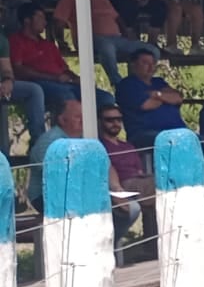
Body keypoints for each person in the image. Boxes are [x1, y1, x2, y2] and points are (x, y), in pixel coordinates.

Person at [28, 97, 141, 246]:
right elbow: (59, 178)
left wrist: (116, 189)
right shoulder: (49, 142)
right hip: (50, 196)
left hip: (85, 192)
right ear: (62, 120)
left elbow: (106, 166)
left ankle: (104, 246)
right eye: (77, 117)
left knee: (131, 208)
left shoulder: (88, 137)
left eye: (84, 116)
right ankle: (88, 249)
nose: (83, 120)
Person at [54, 0, 156, 86]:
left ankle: (142, 82)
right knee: (107, 47)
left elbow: (116, 17)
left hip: (116, 38)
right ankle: (118, 84)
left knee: (152, 50)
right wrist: (61, 42)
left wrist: (126, 33)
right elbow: (59, 22)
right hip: (91, 40)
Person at [98, 103, 157, 239]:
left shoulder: (128, 145)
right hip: (121, 184)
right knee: (165, 186)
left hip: (140, 181)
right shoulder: (99, 146)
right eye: (109, 120)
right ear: (100, 122)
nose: (115, 123)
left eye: (118, 119)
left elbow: (139, 170)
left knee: (167, 183)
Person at [11, 3, 82, 115]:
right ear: (27, 20)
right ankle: (73, 131)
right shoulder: (16, 41)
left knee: (103, 97)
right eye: (40, 18)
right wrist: (54, 78)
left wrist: (75, 77)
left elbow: (64, 68)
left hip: (63, 83)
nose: (45, 22)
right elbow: (18, 69)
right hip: (37, 84)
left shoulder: (49, 45)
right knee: (67, 95)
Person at [115, 48, 188, 151]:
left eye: (153, 63)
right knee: (173, 143)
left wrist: (157, 95)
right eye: (145, 63)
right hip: (145, 133)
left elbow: (178, 98)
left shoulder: (159, 82)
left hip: (177, 131)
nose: (150, 67)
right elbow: (147, 104)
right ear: (133, 64)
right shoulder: (127, 85)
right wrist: (166, 98)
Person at [0, 0, 48, 148]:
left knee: (34, 90)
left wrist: (8, 80)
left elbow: (7, 68)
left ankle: (39, 143)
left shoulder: (2, 41)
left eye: (1, 11)